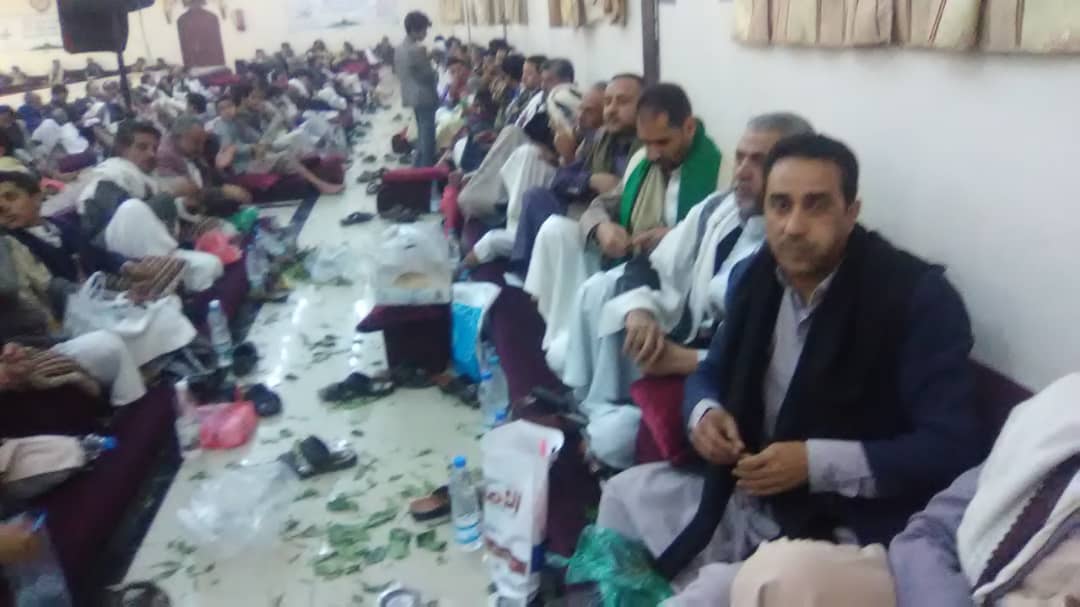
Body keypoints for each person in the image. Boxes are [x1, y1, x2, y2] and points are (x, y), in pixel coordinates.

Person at [595, 133, 985, 606]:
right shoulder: (758, 277)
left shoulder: (916, 299)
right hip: (745, 491)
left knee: (705, 597)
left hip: (839, 520)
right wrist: (704, 414)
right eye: (780, 205)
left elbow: (951, 447)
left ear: (851, 212)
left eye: (816, 205)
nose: (794, 226)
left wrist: (814, 463)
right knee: (623, 494)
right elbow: (712, 370)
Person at [553, 113, 814, 470]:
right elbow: (649, 263)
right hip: (678, 338)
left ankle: (599, 428)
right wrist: (640, 312)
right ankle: (589, 408)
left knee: (616, 435)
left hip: (716, 372)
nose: (741, 172)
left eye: (760, 161)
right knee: (600, 292)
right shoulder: (718, 208)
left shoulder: (793, 250)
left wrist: (684, 359)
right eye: (740, 157)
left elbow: (770, 359)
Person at [730, 372, 1080, 607]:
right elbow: (930, 532)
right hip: (945, 588)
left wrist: (816, 463)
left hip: (861, 520)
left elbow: (943, 448)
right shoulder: (1062, 411)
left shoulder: (920, 303)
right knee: (771, 576)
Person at [525, 83, 722, 350]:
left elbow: (720, 241)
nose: (653, 153)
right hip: (624, 257)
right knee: (554, 228)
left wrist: (676, 237)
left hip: (667, 282)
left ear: (688, 128)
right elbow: (602, 205)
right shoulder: (642, 161)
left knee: (597, 290)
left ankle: (572, 347)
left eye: (662, 142)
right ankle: (560, 331)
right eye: (646, 142)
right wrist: (601, 227)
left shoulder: (718, 172)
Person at [506, 74, 644, 277]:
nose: (612, 109)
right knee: (536, 196)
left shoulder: (649, 147)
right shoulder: (602, 138)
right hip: (589, 210)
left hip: (616, 225)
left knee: (550, 221)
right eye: (608, 102)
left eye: (622, 102)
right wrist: (590, 180)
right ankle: (523, 273)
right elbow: (561, 179)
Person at [78, 121, 224, 293]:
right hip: (116, 258)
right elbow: (128, 223)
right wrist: (169, 194)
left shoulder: (142, 177)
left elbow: (156, 216)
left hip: (156, 249)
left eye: (154, 148)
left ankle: (175, 274)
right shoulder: (107, 179)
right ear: (122, 149)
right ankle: (171, 270)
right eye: (142, 147)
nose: (151, 154)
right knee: (131, 208)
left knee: (212, 265)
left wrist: (185, 204)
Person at [456, 57, 575, 222]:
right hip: (527, 151)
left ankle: (482, 197)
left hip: (546, 162)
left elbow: (568, 150)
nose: (543, 85)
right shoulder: (538, 98)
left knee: (514, 136)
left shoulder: (570, 104)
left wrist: (555, 155)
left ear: (566, 80)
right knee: (505, 133)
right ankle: (477, 190)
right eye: (543, 80)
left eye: (549, 80)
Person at [211, 94, 344, 195]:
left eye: (229, 106)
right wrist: (252, 147)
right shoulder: (221, 127)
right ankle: (321, 185)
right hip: (243, 166)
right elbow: (230, 150)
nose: (227, 110)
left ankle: (323, 168)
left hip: (256, 157)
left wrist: (262, 144)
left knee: (293, 146)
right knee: (285, 157)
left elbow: (257, 138)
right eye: (223, 108)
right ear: (218, 112)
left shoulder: (237, 122)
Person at [396, 11, 439, 168]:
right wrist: (435, 69)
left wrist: (427, 59)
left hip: (411, 95)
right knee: (428, 138)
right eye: (424, 30)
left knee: (421, 134)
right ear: (415, 29)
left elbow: (407, 71)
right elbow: (428, 76)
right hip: (425, 96)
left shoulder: (399, 48)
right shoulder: (417, 49)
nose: (426, 33)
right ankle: (426, 171)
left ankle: (417, 168)